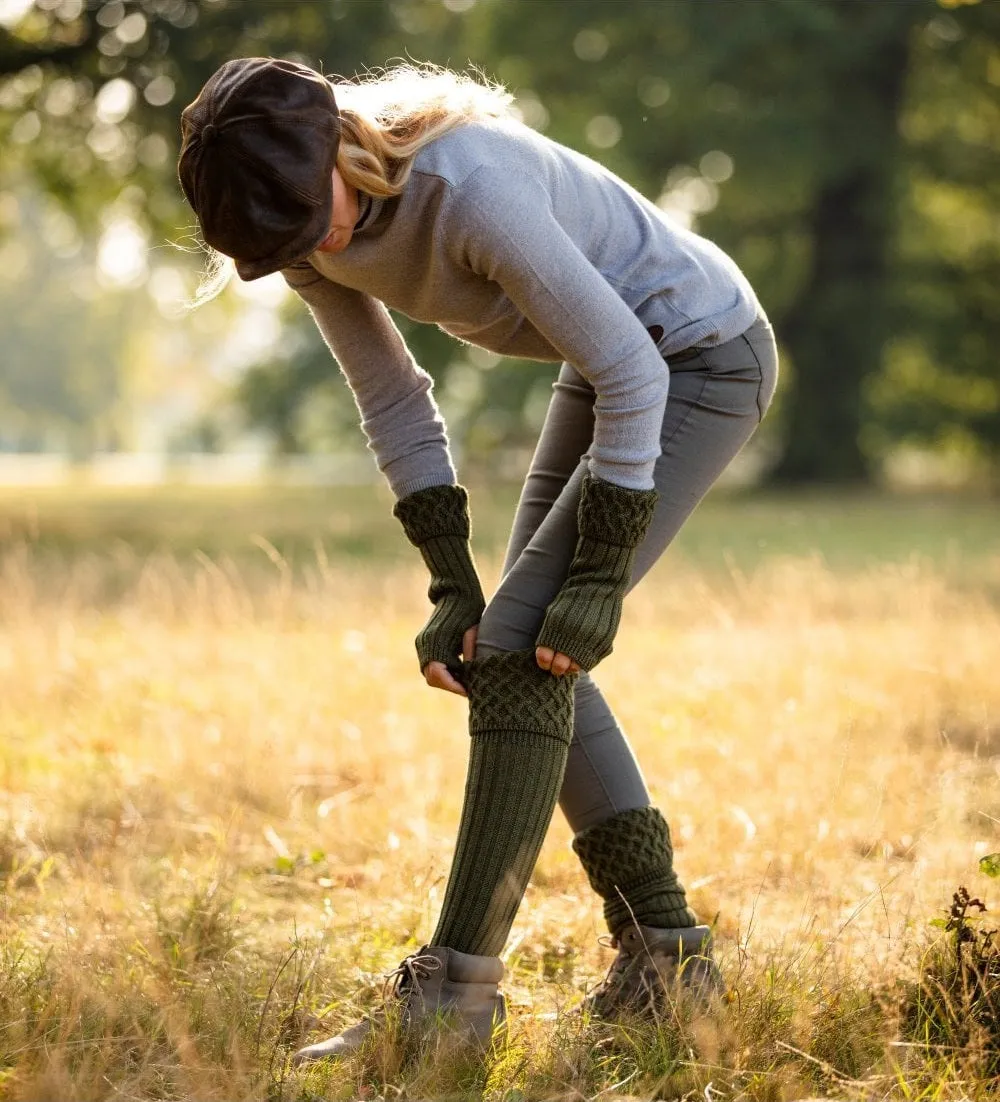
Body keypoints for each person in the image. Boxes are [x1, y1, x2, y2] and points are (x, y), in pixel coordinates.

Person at [177, 57, 778, 1064]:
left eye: (305, 219)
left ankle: (451, 1000)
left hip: (695, 357)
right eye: (282, 242)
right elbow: (394, 400)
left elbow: (634, 364)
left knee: (523, 647)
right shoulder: (302, 229)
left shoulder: (468, 187)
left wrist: (599, 574)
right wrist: (448, 576)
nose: (312, 246)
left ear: (335, 147)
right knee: (522, 648)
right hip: (604, 364)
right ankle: (668, 965)